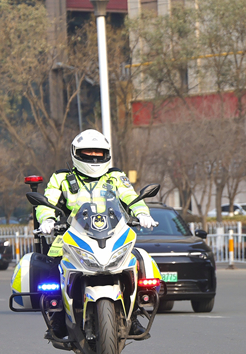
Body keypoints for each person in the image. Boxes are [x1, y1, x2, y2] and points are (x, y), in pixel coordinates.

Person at [36, 129, 158, 339]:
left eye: (98, 152)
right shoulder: (61, 178)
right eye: (88, 152)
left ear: (107, 153)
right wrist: (47, 219)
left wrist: (143, 214)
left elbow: (131, 197)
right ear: (76, 153)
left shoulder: (115, 177)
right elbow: (47, 202)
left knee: (137, 261)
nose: (93, 157)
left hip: (112, 235)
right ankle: (57, 318)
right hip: (71, 235)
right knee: (54, 268)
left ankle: (134, 314)